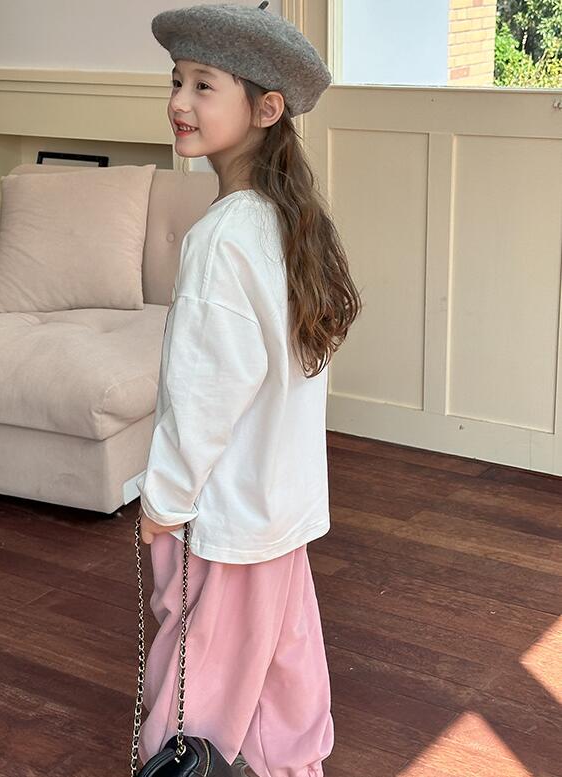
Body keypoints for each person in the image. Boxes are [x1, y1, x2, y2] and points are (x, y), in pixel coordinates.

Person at [134, 3, 363, 776]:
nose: (179, 101)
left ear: (265, 109)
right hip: (280, 509)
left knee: (196, 679)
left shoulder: (222, 238)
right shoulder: (286, 220)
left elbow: (205, 395)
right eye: (175, 80)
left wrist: (163, 500)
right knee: (278, 666)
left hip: (224, 517)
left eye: (204, 85)